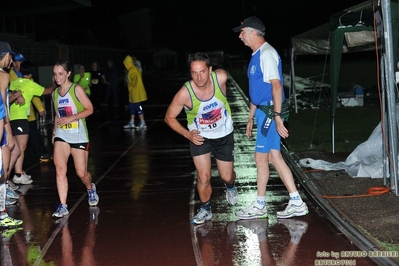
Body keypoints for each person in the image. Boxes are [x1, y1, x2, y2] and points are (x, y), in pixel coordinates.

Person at [232, 16, 309, 219]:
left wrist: (276, 116)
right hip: (262, 111)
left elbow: (276, 86)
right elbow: (256, 90)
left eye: (243, 32)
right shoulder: (256, 54)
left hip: (269, 111)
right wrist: (250, 117)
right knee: (274, 156)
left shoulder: (266, 53)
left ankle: (260, 205)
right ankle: (296, 201)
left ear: (254, 32)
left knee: (260, 158)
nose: (240, 36)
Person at [164, 52, 238, 225]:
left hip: (224, 134)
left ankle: (231, 186)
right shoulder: (185, 93)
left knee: (226, 176)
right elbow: (169, 117)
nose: (198, 77)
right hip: (200, 137)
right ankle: (205, 208)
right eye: (194, 73)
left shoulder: (221, 78)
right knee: (203, 176)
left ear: (210, 70)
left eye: (202, 72)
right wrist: (187, 134)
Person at [51, 59, 99, 218]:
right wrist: (54, 132)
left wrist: (72, 117)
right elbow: (57, 114)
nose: (57, 77)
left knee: (81, 173)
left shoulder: (76, 89)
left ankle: (90, 188)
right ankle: (63, 205)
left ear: (68, 73)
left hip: (78, 134)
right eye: (55, 74)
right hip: (62, 134)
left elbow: (90, 109)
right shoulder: (55, 93)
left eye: (60, 74)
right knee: (60, 169)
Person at [9, 60, 56, 185]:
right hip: (20, 118)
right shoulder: (30, 84)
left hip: (9, 119)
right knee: (21, 148)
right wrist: (54, 84)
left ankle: (17, 174)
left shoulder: (13, 82)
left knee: (15, 148)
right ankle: (14, 175)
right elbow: (46, 91)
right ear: (31, 73)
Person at [0, 40, 23, 227]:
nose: (11, 59)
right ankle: (2, 211)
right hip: (2, 127)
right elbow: (1, 106)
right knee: (3, 170)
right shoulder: (3, 75)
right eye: (10, 56)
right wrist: (7, 131)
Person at [122, 55, 148, 129]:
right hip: (133, 93)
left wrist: (131, 86)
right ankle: (132, 122)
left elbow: (134, 80)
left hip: (135, 92)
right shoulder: (135, 69)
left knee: (138, 106)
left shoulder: (132, 70)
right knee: (132, 106)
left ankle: (143, 122)